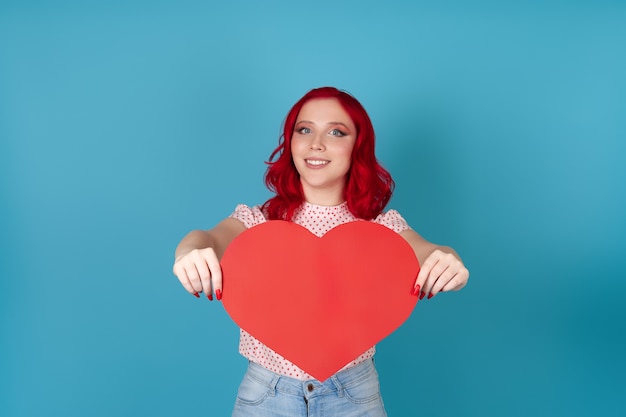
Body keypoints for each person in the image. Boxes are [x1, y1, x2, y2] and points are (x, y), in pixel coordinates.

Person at [172, 86, 469, 416]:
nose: (316, 143)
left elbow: (428, 251)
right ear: (292, 142)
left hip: (353, 395)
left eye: (336, 132)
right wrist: (190, 252)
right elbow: (206, 238)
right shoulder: (258, 222)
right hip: (265, 395)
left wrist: (447, 261)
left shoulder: (382, 230)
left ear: (358, 147)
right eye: (305, 129)